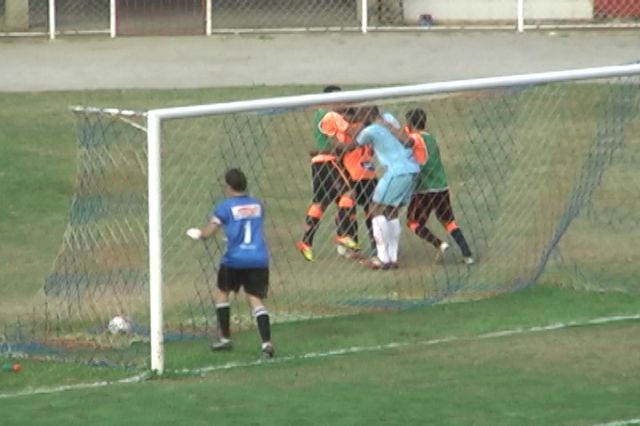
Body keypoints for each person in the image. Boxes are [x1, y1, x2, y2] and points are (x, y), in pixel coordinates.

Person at [186, 168, 274, 359]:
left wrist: (199, 234)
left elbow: (209, 232)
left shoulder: (225, 207)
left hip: (234, 259)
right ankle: (266, 343)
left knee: (222, 294)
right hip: (258, 258)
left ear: (228, 186)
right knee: (255, 299)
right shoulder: (258, 205)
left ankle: (225, 338)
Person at [345, 106, 420, 270]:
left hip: (397, 172)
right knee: (392, 212)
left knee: (376, 209)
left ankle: (381, 258)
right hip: (412, 170)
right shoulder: (389, 118)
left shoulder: (369, 130)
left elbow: (351, 146)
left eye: (359, 115)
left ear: (366, 114)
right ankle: (392, 258)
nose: (357, 119)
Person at [296, 85, 359, 262]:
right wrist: (365, 127)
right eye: (338, 99)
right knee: (348, 193)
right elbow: (352, 131)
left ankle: (306, 242)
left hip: (318, 163)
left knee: (320, 203)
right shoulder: (331, 115)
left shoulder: (320, 115)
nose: (341, 103)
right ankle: (342, 234)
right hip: (329, 161)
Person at [404, 108, 474, 265]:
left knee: (413, 222)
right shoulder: (431, 137)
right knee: (448, 221)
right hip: (441, 187)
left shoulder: (415, 138)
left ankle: (439, 244)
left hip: (425, 189)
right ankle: (467, 254)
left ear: (409, 123)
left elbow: (408, 143)